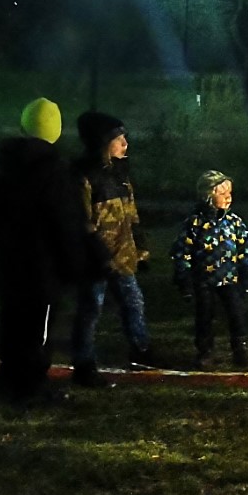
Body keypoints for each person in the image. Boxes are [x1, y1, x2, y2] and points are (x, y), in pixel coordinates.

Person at [0, 98, 94, 405]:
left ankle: (11, 379)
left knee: (12, 322)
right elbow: (63, 222)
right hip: (42, 266)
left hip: (9, 262)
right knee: (39, 328)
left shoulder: (6, 165)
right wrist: (75, 262)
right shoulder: (54, 172)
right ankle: (31, 388)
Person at [70, 111, 152, 384]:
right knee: (91, 308)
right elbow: (84, 223)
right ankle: (84, 363)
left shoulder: (120, 174)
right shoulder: (85, 177)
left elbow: (131, 214)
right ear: (103, 143)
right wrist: (101, 256)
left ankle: (141, 349)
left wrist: (140, 249)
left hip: (122, 254)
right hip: (97, 260)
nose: (126, 144)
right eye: (119, 139)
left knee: (133, 301)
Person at [171, 170, 248, 370]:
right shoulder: (195, 223)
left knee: (236, 314)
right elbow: (182, 251)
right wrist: (183, 278)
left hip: (230, 279)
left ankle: (241, 349)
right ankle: (205, 351)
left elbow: (246, 249)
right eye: (222, 193)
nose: (228, 197)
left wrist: (247, 274)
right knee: (204, 315)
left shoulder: (234, 223)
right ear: (208, 197)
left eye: (230, 193)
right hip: (203, 280)